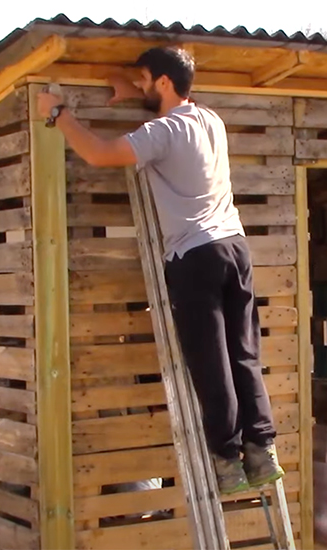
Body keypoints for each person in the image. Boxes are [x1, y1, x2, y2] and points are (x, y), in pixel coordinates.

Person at [35, 46, 282, 495]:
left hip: (195, 257)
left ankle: (226, 460)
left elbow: (100, 153)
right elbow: (163, 109)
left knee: (211, 364)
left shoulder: (163, 131)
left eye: (147, 80)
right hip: (234, 248)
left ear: (165, 83)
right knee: (244, 355)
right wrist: (131, 88)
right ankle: (261, 450)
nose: (142, 88)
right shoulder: (210, 121)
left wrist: (59, 115)